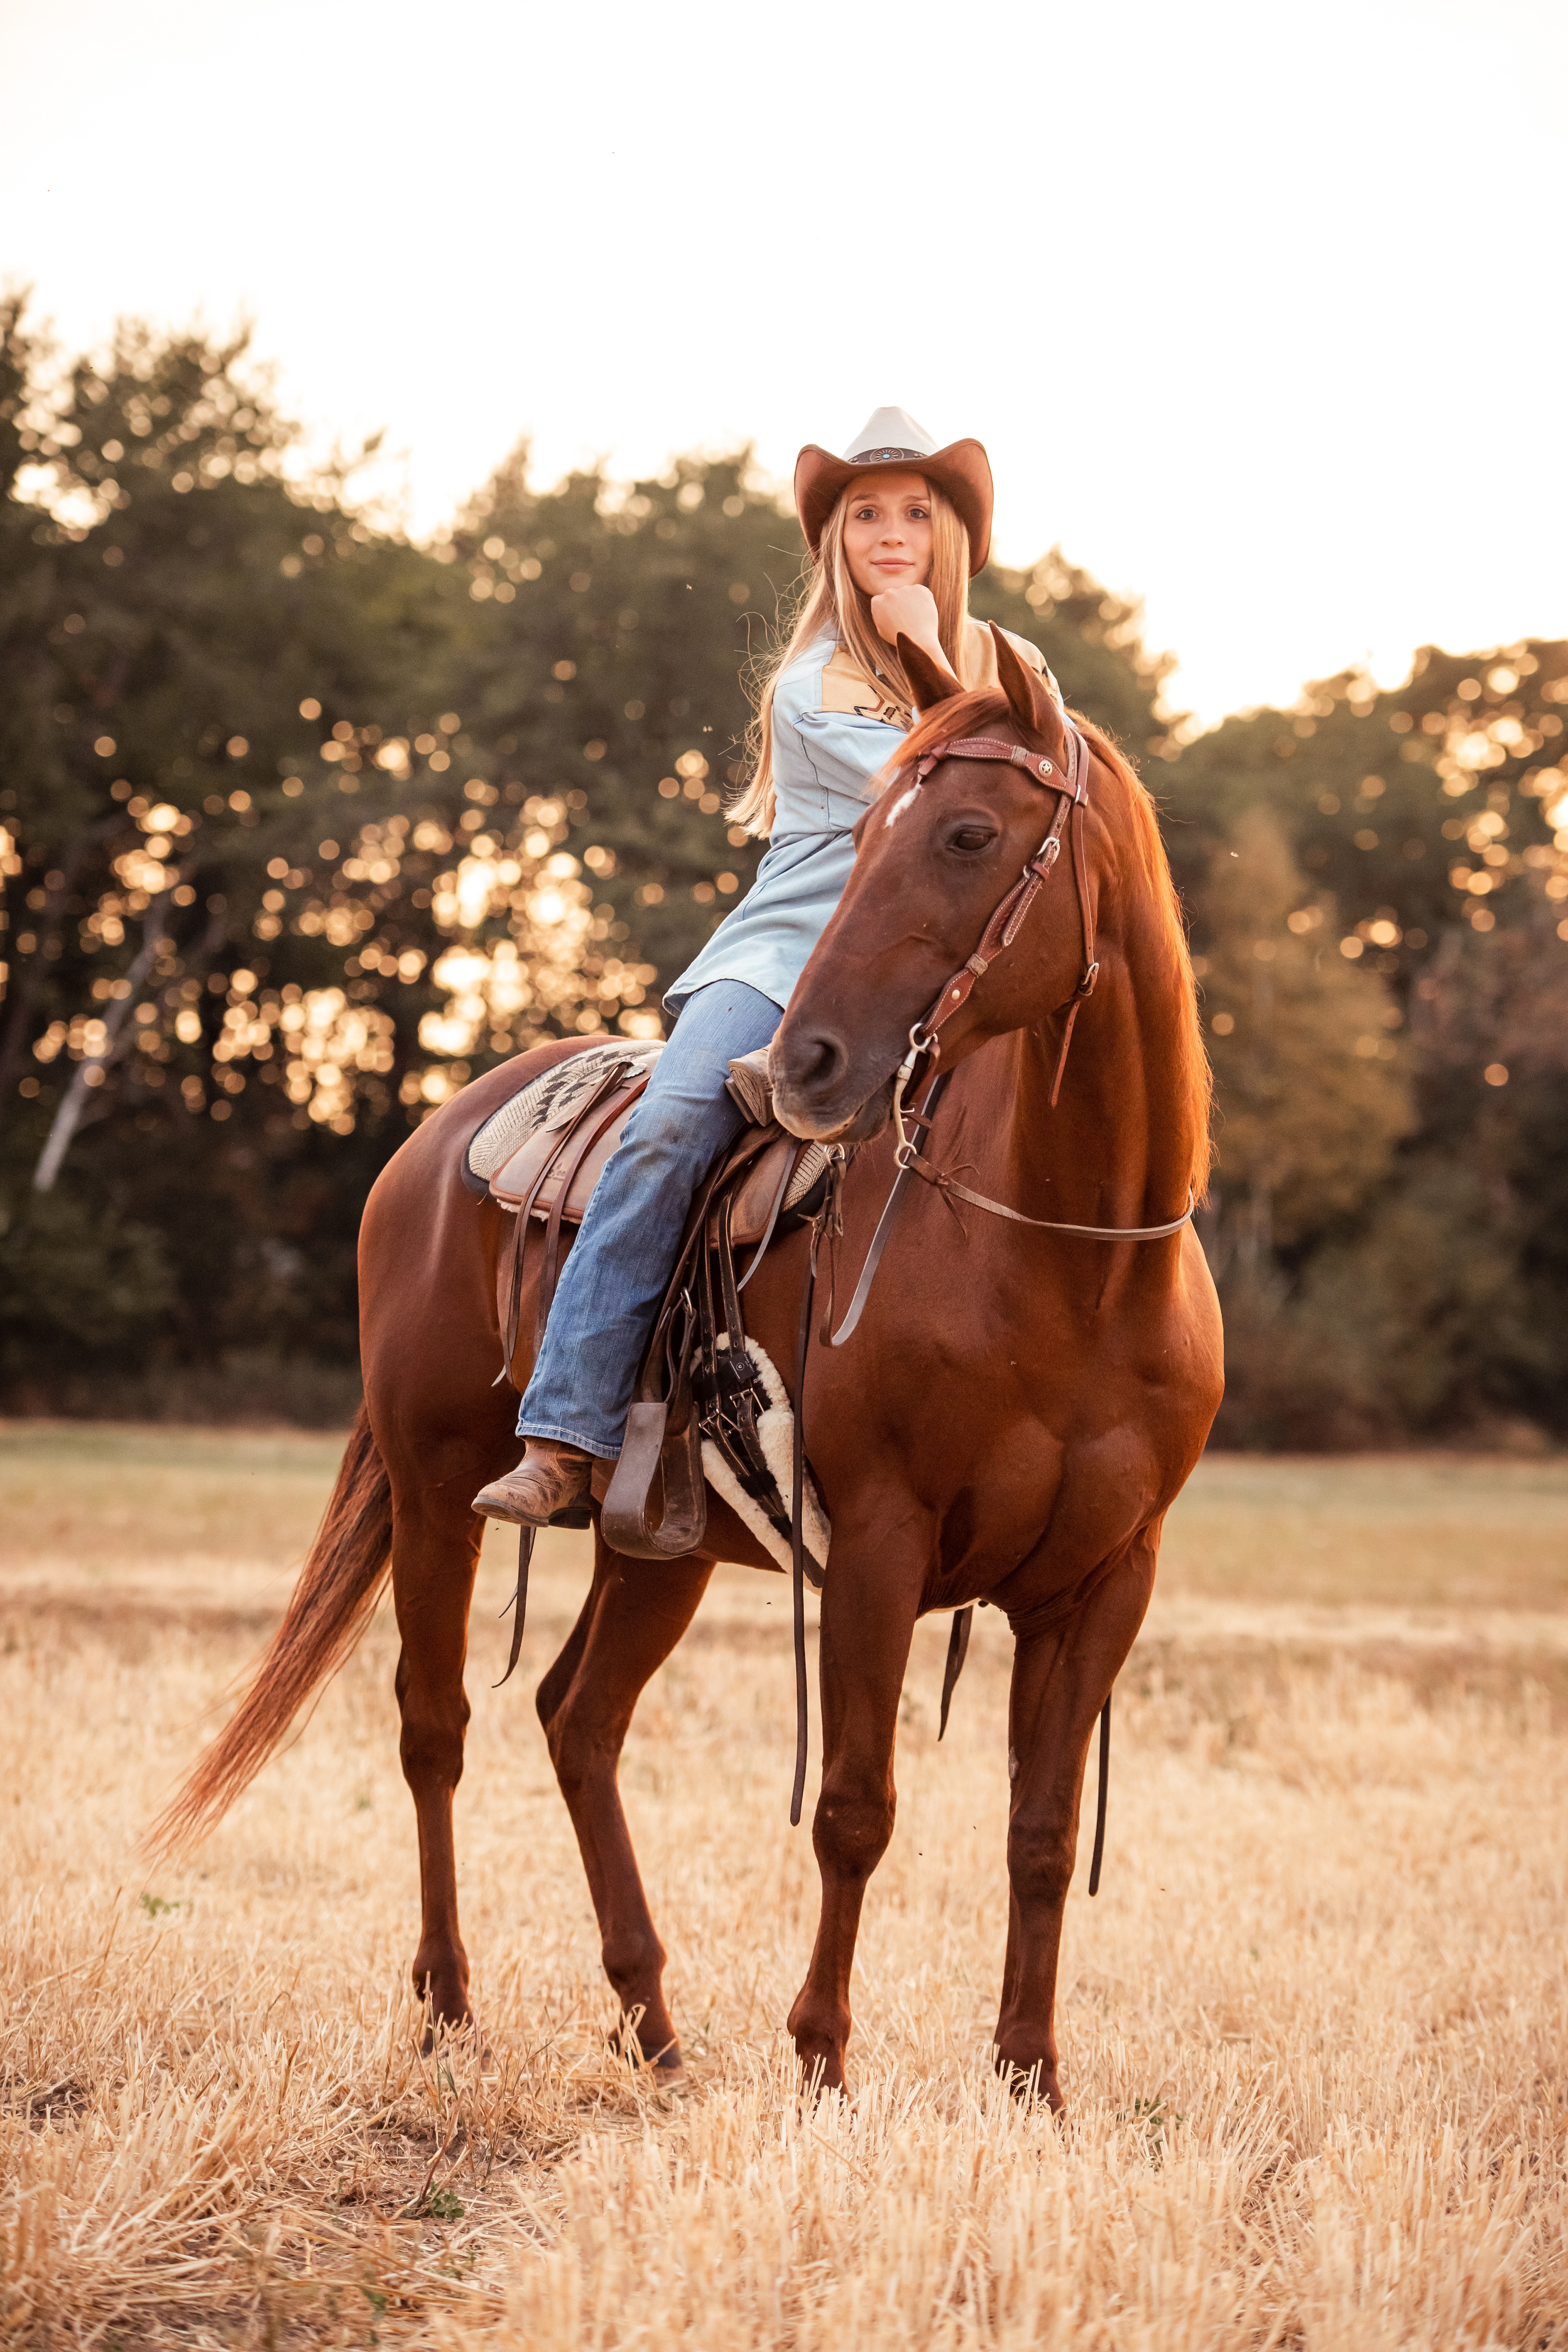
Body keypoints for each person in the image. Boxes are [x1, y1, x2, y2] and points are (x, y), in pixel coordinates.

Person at [473, 406, 1058, 1527]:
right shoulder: (817, 682)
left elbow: (1050, 803)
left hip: (957, 958)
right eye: (865, 518)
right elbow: (932, 786)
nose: (891, 535)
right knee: (670, 1127)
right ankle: (567, 1429)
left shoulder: (1020, 665)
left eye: (916, 516)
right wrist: (909, 633)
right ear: (836, 545)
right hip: (794, 951)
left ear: (957, 539)